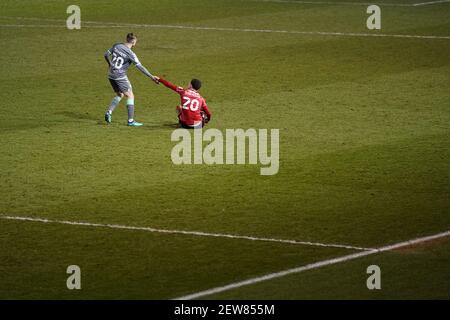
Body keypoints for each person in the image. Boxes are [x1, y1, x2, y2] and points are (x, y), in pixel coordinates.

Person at [104, 33, 159, 126]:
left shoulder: (117, 45)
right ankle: (130, 121)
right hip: (119, 76)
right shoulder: (131, 53)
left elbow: (105, 54)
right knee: (130, 95)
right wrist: (151, 76)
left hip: (110, 75)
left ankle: (109, 112)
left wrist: (109, 64)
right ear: (133, 42)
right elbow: (140, 66)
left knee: (120, 94)